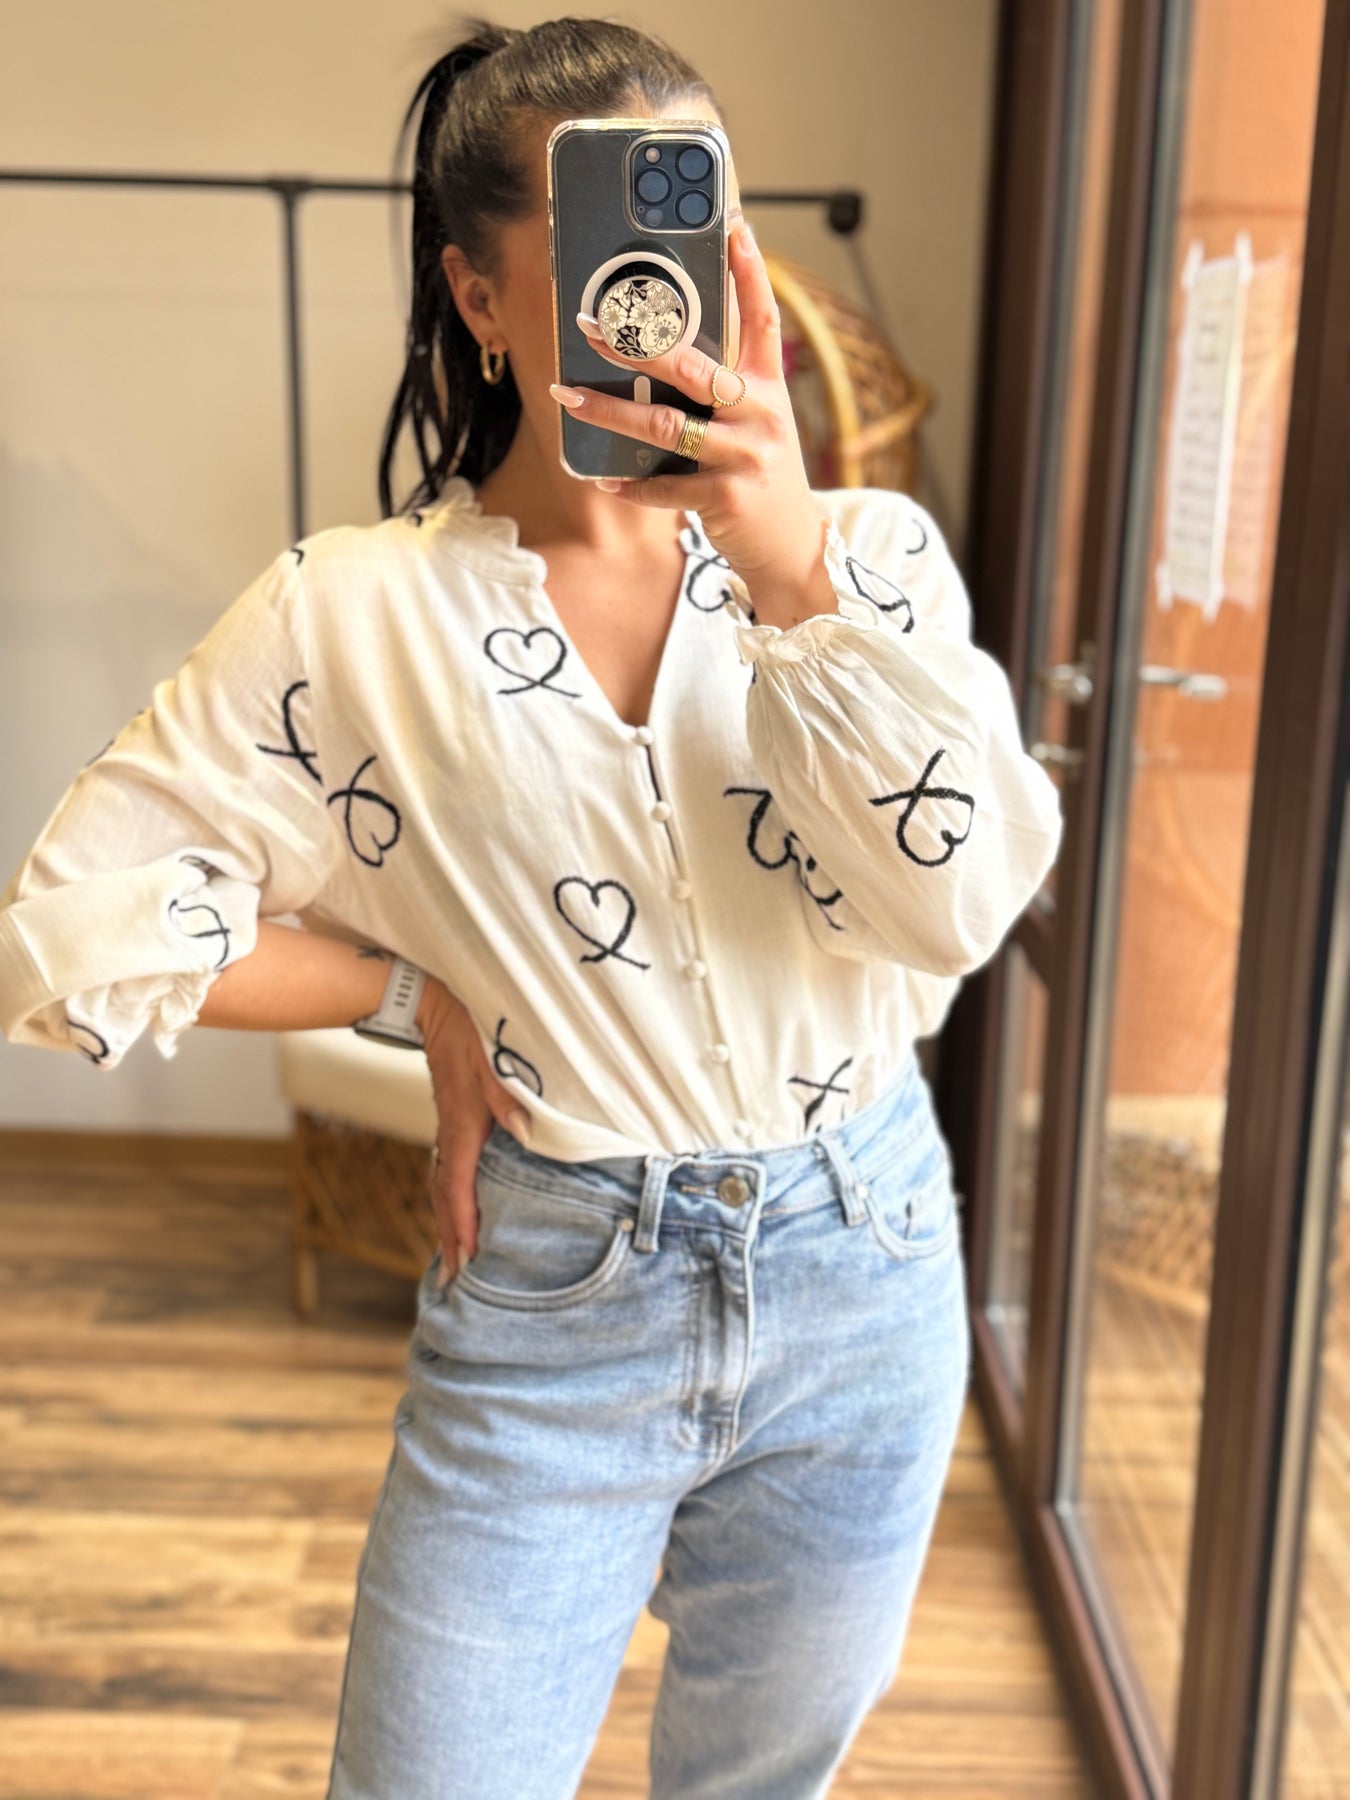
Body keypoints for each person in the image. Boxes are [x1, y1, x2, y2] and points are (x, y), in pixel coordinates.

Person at [0, 15, 1064, 1799]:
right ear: (481, 296)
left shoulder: (867, 561)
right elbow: (65, 930)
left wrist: (788, 565)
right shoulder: (351, 614)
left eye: (695, 222)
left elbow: (958, 907)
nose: (661, 297)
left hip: (864, 1262)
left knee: (757, 1783)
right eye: (600, 247)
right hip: (558, 1293)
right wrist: (407, 993)